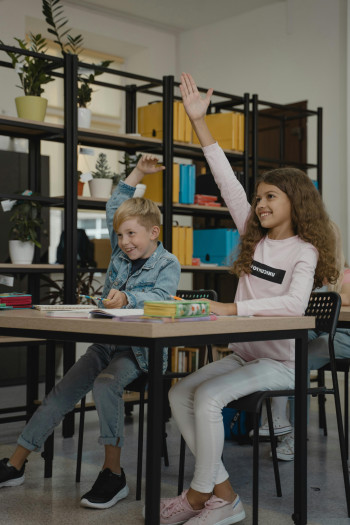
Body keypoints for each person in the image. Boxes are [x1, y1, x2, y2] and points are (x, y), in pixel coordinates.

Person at [159, 73, 339, 525]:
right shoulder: (252, 237)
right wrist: (199, 124)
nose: (259, 204)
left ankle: (203, 495)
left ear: (295, 202)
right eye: (258, 198)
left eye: (270, 197)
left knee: (208, 399)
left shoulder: (305, 250)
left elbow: (296, 307)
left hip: (279, 362)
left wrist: (231, 308)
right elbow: (225, 179)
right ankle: (223, 495)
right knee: (180, 391)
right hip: (243, 355)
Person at [0, 154, 181, 510]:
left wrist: (128, 296)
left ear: (153, 232)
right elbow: (116, 203)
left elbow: (161, 298)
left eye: (132, 234)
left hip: (142, 352)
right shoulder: (121, 254)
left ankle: (113, 474)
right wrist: (139, 172)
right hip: (108, 344)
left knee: (104, 383)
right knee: (61, 393)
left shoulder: (168, 263)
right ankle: (15, 463)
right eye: (120, 235)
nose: (125, 241)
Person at [264, 222, 350, 462]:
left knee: (298, 362)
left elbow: (343, 297)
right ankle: (278, 419)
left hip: (343, 336)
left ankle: (295, 436)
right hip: (319, 333)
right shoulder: (308, 272)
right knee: (285, 348)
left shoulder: (343, 273)